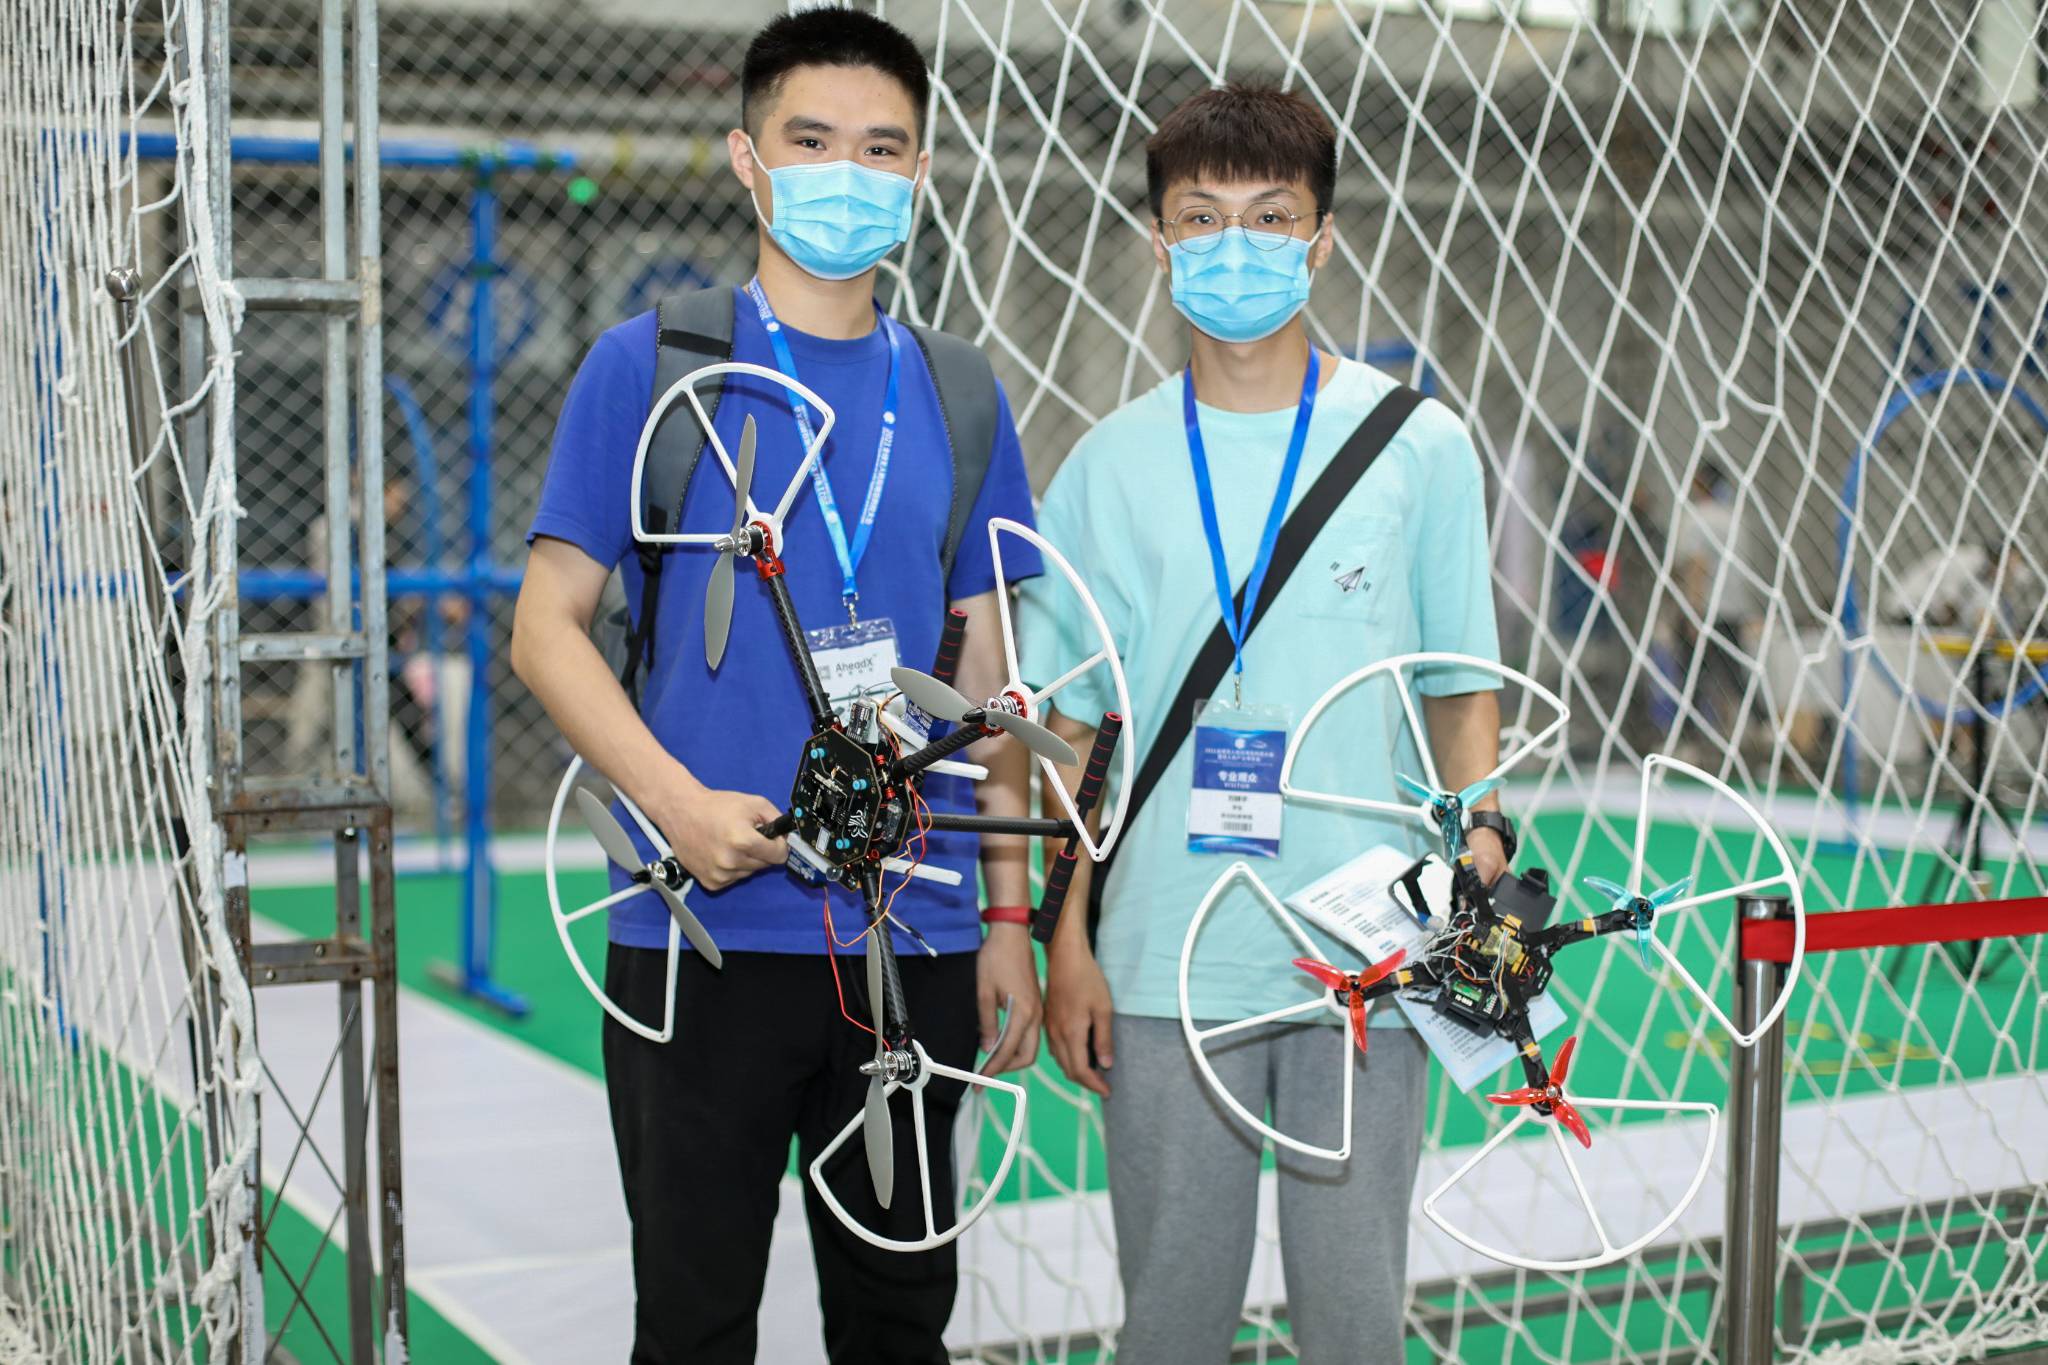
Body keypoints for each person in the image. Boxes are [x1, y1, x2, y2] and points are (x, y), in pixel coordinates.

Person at [509, 10, 1044, 1362]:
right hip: (700, 929)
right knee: (695, 1322)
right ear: (748, 160)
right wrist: (678, 806)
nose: (846, 174)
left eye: (882, 148)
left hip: (910, 936)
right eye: (812, 142)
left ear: (918, 175)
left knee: (898, 1322)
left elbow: (989, 683)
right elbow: (546, 630)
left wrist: (1005, 918)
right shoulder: (650, 367)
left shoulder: (960, 393)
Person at [1017, 84, 1508, 1364]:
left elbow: (1460, 686)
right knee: (1170, 1319)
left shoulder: (1420, 446)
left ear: (1320, 240)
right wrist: (1064, 938)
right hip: (1164, 957)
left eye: (1269, 216)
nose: (1233, 246)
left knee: (1354, 1319)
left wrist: (1481, 842)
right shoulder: (1103, 466)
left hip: (1371, 951)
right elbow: (1069, 737)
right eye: (1202, 217)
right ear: (1160, 242)